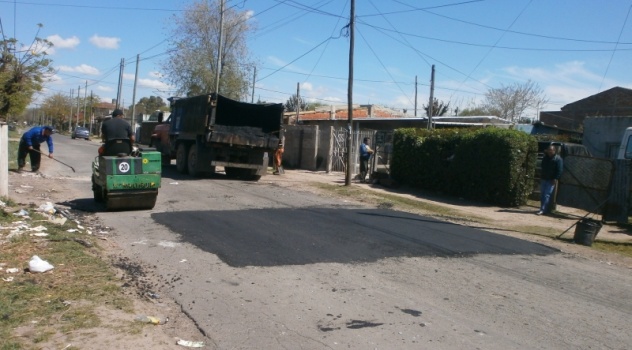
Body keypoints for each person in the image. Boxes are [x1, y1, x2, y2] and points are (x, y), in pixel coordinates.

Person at [538, 145, 563, 215]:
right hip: (544, 178)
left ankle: (543, 209)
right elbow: (542, 166)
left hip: (551, 179)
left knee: (547, 194)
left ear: (554, 151)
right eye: (549, 150)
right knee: (542, 194)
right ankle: (543, 208)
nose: (549, 151)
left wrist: (555, 178)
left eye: (551, 150)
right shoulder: (545, 158)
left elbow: (559, 170)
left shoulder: (558, 159)